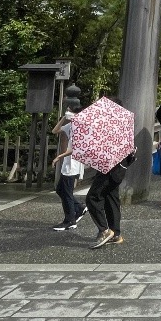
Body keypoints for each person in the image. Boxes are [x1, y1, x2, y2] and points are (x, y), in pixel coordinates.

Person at [85, 96, 134, 248]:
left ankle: (104, 230)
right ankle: (116, 233)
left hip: (109, 168)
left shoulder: (110, 127)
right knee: (111, 199)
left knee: (92, 197)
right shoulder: (123, 125)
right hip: (119, 170)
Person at [50, 110, 87, 231]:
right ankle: (79, 207)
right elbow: (55, 131)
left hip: (74, 164)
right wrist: (63, 118)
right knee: (60, 190)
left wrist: (59, 157)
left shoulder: (82, 128)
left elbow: (76, 149)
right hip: (67, 163)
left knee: (66, 192)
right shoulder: (70, 125)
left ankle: (70, 221)